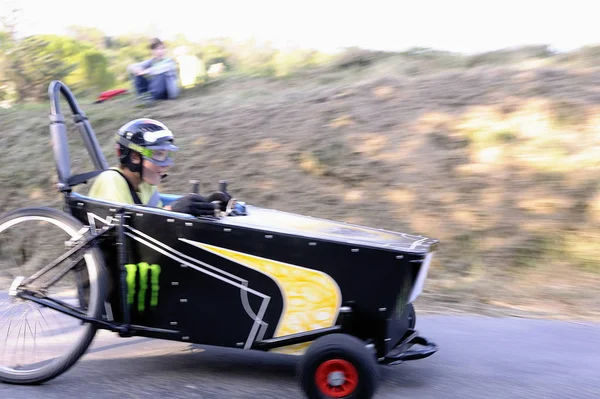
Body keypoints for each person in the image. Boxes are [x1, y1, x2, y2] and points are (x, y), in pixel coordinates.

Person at [87, 118, 231, 217]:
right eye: (159, 154)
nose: (167, 163)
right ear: (135, 157)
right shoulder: (111, 180)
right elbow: (126, 230)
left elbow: (154, 217)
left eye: (167, 155)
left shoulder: (145, 184)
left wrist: (205, 204)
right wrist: (172, 210)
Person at [127, 38, 181, 104]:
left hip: (167, 92)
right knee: (138, 72)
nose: (160, 51)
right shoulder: (152, 61)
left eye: (162, 48)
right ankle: (143, 95)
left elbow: (159, 69)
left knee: (160, 74)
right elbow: (131, 66)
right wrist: (136, 69)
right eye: (156, 49)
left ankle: (151, 95)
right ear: (152, 51)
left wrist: (146, 71)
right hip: (155, 89)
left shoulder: (170, 61)